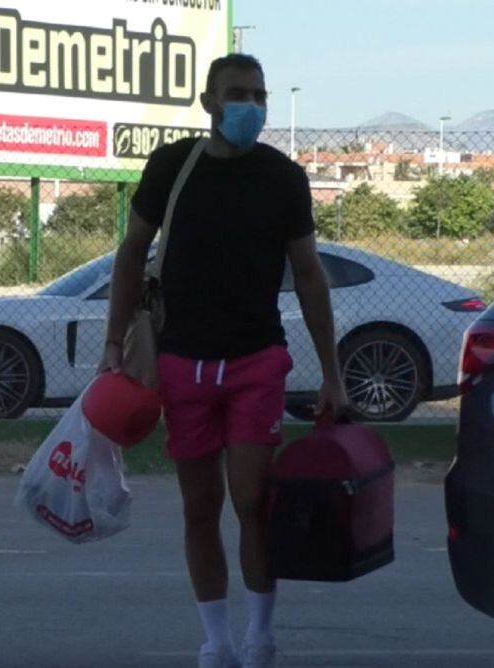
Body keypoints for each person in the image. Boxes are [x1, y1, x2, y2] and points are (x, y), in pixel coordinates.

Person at [100, 54, 349, 668]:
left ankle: (260, 637)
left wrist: (333, 373)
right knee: (199, 505)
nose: (252, 107)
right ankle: (216, 643)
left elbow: (309, 274)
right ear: (208, 102)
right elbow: (131, 254)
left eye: (259, 96)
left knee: (251, 500)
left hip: (255, 361)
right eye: (238, 94)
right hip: (181, 364)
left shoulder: (284, 177)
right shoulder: (171, 168)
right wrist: (112, 347)